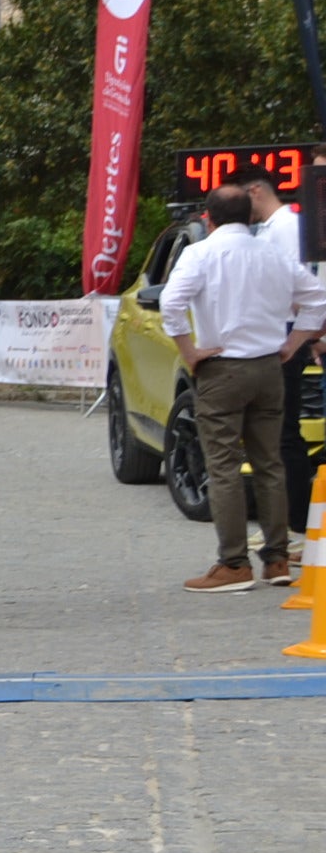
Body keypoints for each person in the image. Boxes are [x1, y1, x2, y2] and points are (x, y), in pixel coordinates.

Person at [160, 184, 326, 592]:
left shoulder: (200, 254)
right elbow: (318, 300)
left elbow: (170, 303)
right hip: (270, 366)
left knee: (224, 466)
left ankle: (233, 563)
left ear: (208, 217)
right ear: (250, 215)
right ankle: (276, 559)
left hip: (222, 369)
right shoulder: (273, 253)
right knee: (270, 463)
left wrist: (191, 351)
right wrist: (293, 343)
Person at [234, 164, 316, 562]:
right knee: (274, 438)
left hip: (286, 337)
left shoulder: (284, 228)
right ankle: (281, 530)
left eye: (236, 198)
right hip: (284, 335)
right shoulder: (271, 229)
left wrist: (299, 337)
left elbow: (303, 288)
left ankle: (298, 531)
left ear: (254, 191)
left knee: (285, 438)